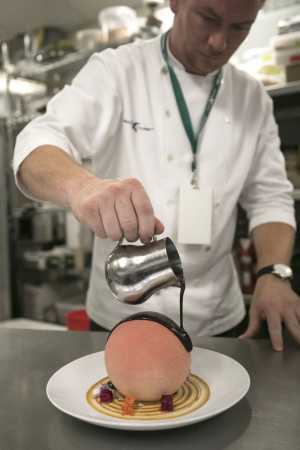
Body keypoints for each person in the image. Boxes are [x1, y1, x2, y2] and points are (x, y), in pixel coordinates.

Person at [13, 0, 300, 351]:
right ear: (175, 2)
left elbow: (270, 198)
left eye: (240, 27)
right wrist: (81, 187)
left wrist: (273, 272)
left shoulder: (252, 98)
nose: (218, 42)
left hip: (220, 320)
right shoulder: (117, 71)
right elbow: (35, 143)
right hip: (120, 315)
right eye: (208, 18)